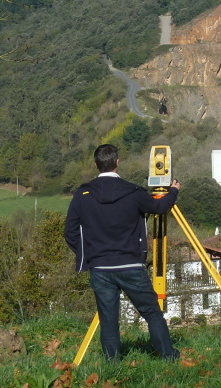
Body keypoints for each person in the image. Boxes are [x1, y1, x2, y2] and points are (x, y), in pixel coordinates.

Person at [64, 143, 181, 361]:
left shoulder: (83, 194)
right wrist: (173, 191)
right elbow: (158, 208)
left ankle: (112, 364)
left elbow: (70, 231)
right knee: (152, 314)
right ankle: (169, 357)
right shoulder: (134, 192)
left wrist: (88, 253)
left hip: (100, 267)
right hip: (130, 265)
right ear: (117, 163)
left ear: (96, 164)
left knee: (108, 320)